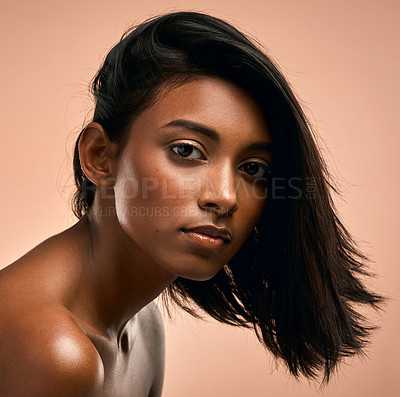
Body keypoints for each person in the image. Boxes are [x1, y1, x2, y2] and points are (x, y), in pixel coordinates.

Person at [0, 11, 383, 397]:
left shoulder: (143, 325)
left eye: (252, 168)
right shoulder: (52, 350)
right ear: (100, 157)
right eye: (186, 150)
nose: (225, 196)